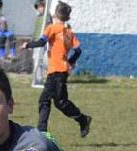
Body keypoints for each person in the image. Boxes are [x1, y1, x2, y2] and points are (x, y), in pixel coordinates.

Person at [21, 1, 91, 136]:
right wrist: (70, 61)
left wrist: (27, 45)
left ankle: (44, 131)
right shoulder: (69, 32)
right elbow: (78, 51)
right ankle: (81, 120)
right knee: (56, 102)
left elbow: (41, 42)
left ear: (54, 14)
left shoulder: (51, 28)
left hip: (57, 71)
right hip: (60, 71)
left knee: (54, 101)